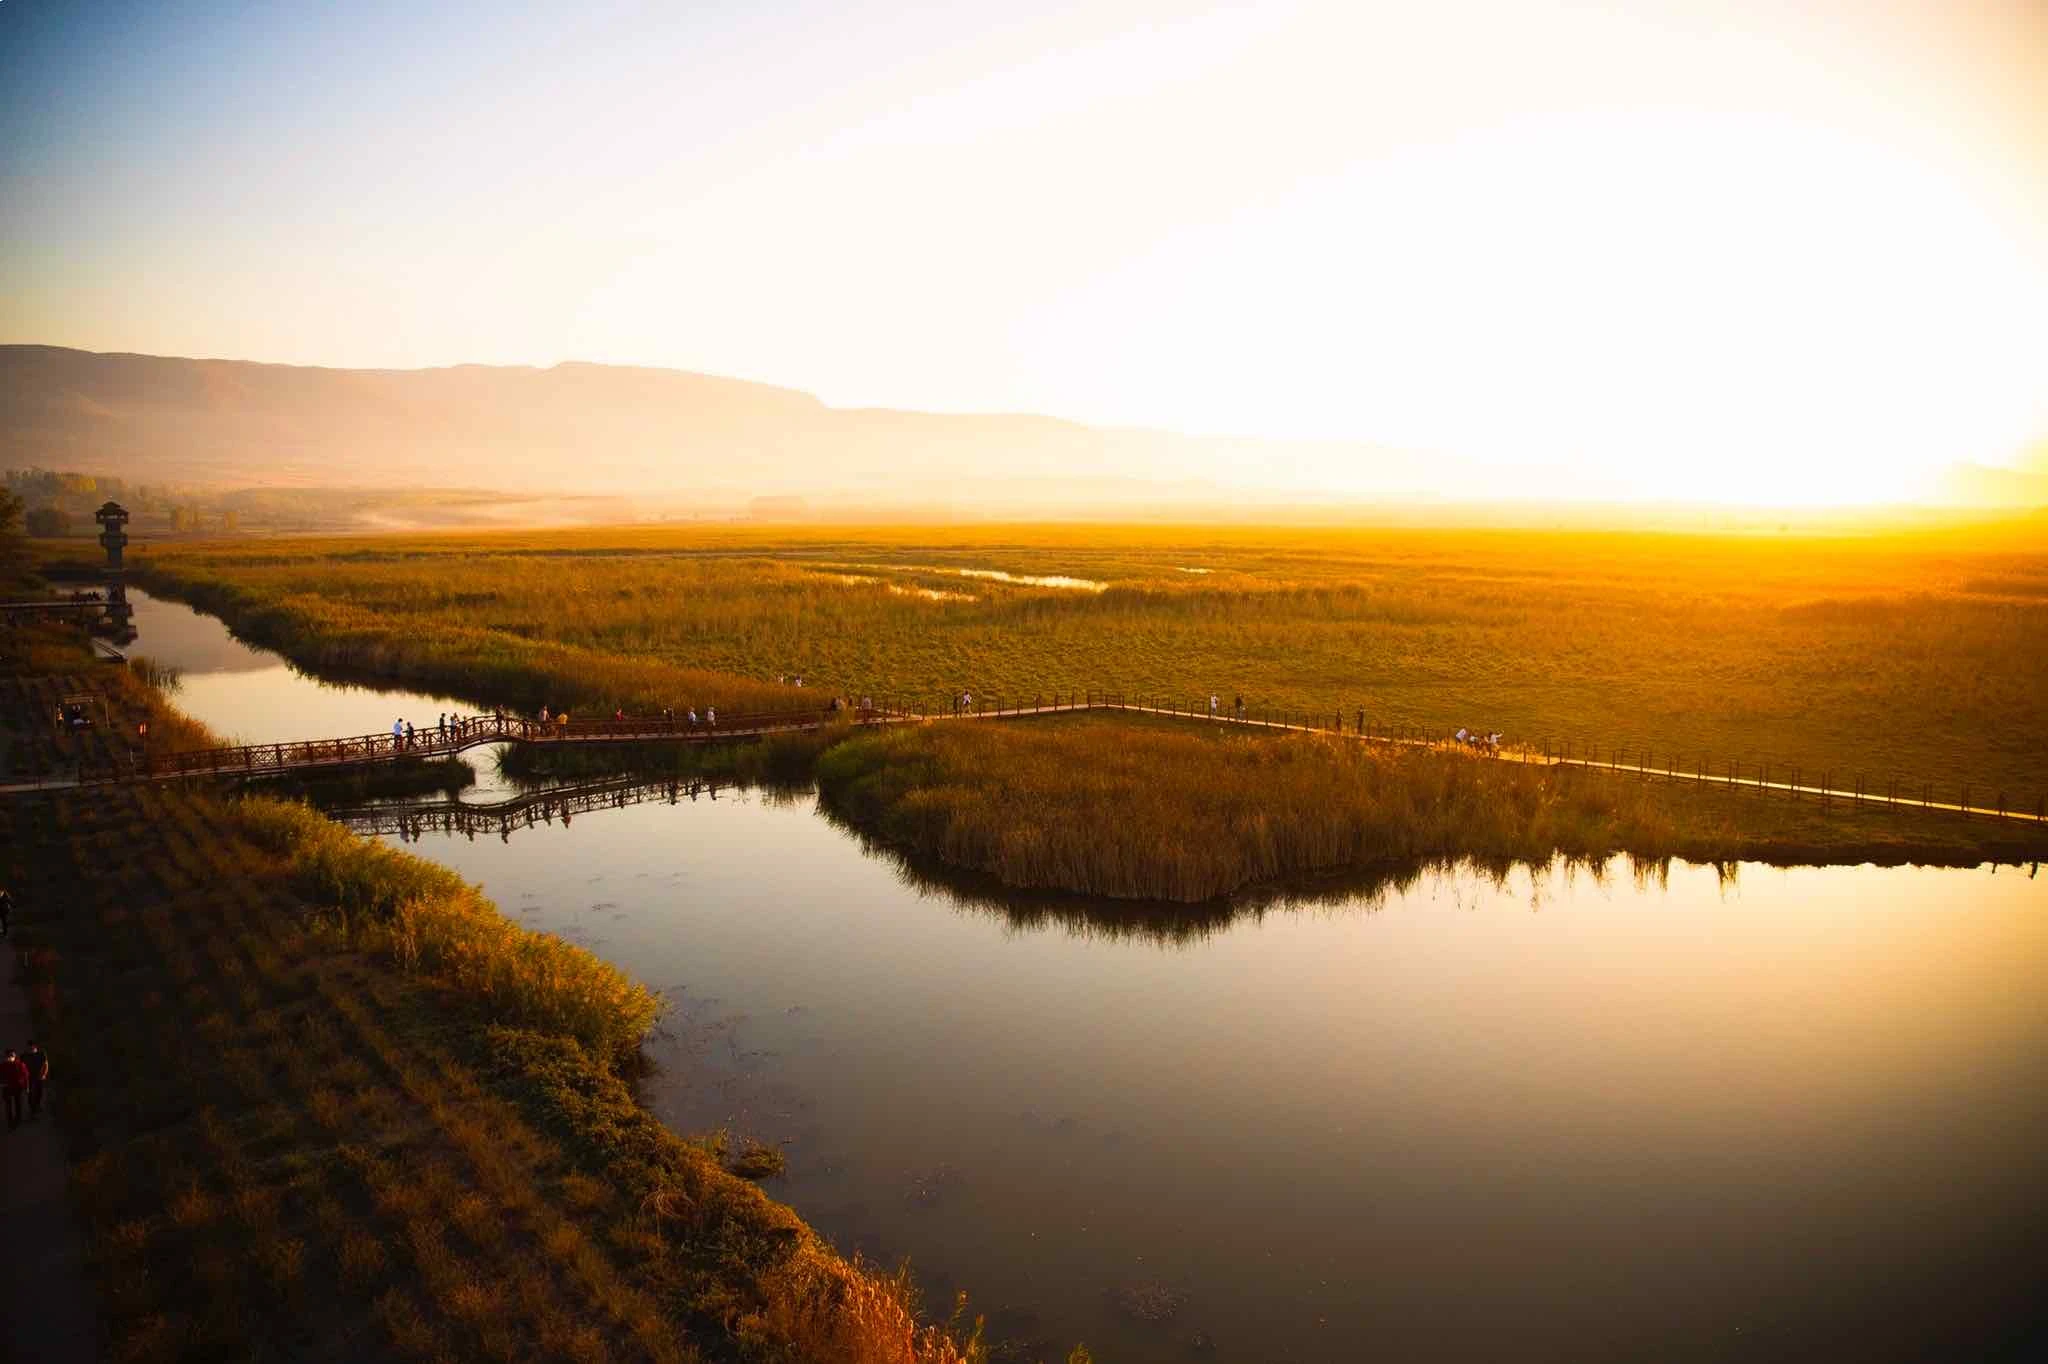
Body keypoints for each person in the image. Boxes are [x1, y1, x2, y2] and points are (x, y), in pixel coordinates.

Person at [1, 1050, 26, 1131]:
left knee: (17, 1103)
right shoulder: (3, 1065)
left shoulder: (19, 1064)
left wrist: (24, 1085)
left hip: (17, 1088)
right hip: (7, 1088)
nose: (9, 1058)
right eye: (8, 1056)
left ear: (14, 1056)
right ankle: (10, 1122)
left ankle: (18, 1119)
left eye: (11, 1056)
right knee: (9, 1106)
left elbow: (25, 1075)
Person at [22, 1041, 47, 1118]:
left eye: (32, 1046)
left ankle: (37, 1106)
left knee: (39, 1092)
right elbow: (21, 1066)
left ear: (36, 1046)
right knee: (30, 1093)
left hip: (39, 1076)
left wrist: (44, 1074)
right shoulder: (24, 1056)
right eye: (29, 1046)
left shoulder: (41, 1054)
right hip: (28, 1077)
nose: (31, 1048)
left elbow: (46, 1064)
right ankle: (32, 1109)